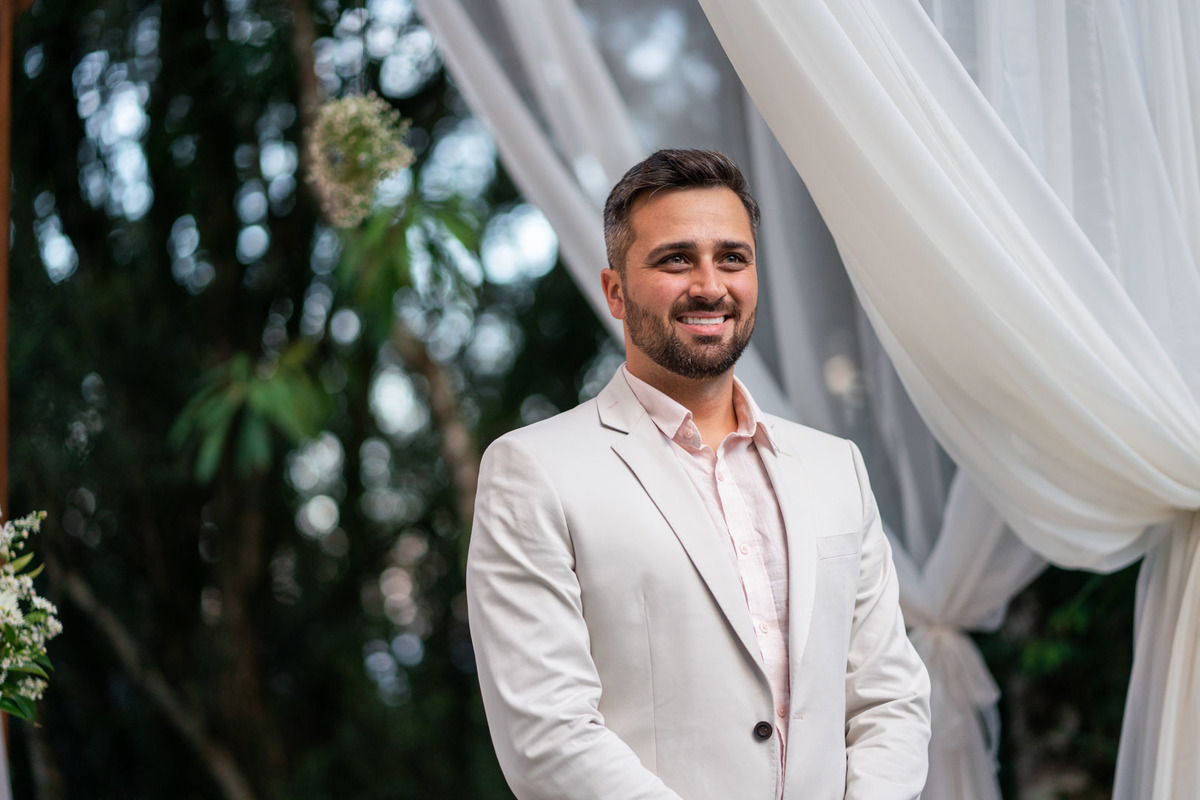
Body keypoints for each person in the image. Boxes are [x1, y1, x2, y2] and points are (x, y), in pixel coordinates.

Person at [466, 149, 931, 800]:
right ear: (615, 292)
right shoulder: (534, 470)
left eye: (732, 258)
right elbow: (547, 735)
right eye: (676, 259)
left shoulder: (837, 468)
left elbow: (889, 698)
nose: (710, 286)